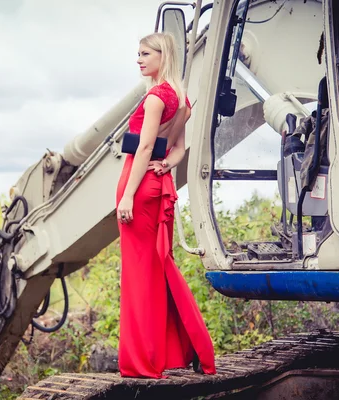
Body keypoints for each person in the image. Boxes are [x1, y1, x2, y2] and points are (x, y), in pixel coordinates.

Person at [115, 32, 217, 379]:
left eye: (145, 54)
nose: (139, 59)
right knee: (158, 267)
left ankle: (143, 361)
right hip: (159, 185)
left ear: (163, 55)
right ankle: (185, 348)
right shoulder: (181, 100)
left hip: (139, 184)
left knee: (139, 276)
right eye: (138, 53)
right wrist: (168, 166)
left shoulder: (157, 97)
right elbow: (178, 149)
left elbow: (144, 150)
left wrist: (128, 194)